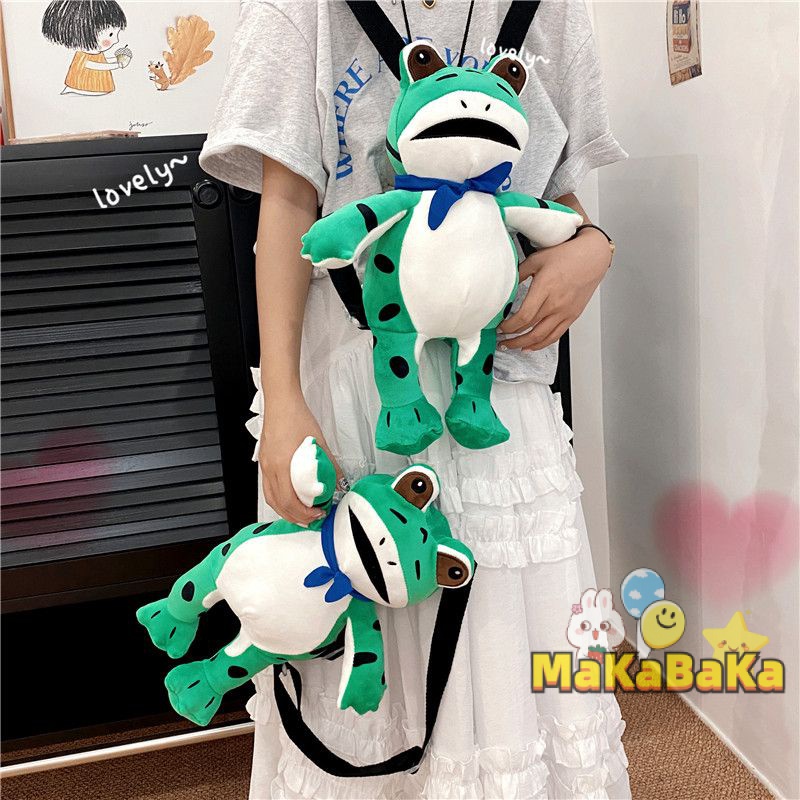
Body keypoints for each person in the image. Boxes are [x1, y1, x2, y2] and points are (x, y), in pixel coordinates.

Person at [201, 1, 631, 797]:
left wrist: (595, 249)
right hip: (358, 382)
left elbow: (556, 191)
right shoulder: (301, 11)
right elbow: (288, 203)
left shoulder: (555, 11)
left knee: (502, 638)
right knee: (365, 626)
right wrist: (282, 398)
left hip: (500, 385)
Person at [41, 0, 131, 96]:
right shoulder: (83, 57)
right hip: (81, 89)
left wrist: (116, 59)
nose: (116, 40)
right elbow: (96, 66)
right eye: (111, 34)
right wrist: (117, 65)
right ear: (86, 33)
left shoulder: (97, 54)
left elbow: (102, 61)